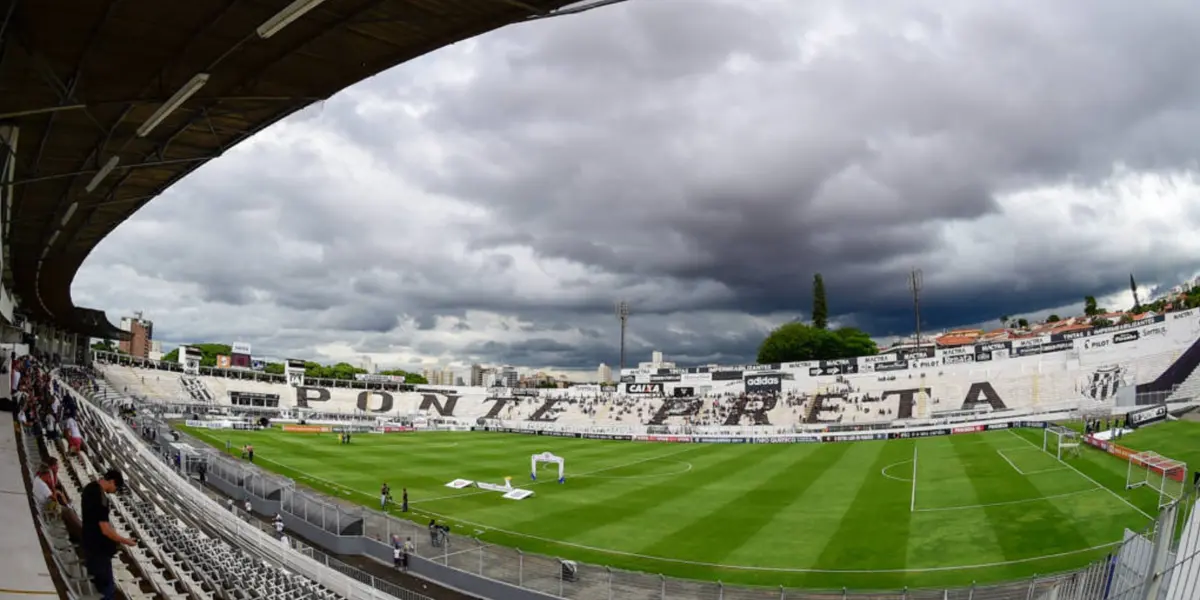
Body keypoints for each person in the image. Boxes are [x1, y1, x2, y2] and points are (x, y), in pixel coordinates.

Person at [81, 469, 135, 600]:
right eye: (116, 487)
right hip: (98, 549)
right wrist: (125, 540)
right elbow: (104, 529)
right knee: (107, 589)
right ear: (112, 481)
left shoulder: (89, 488)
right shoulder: (101, 498)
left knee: (99, 586)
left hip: (89, 542)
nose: (115, 491)